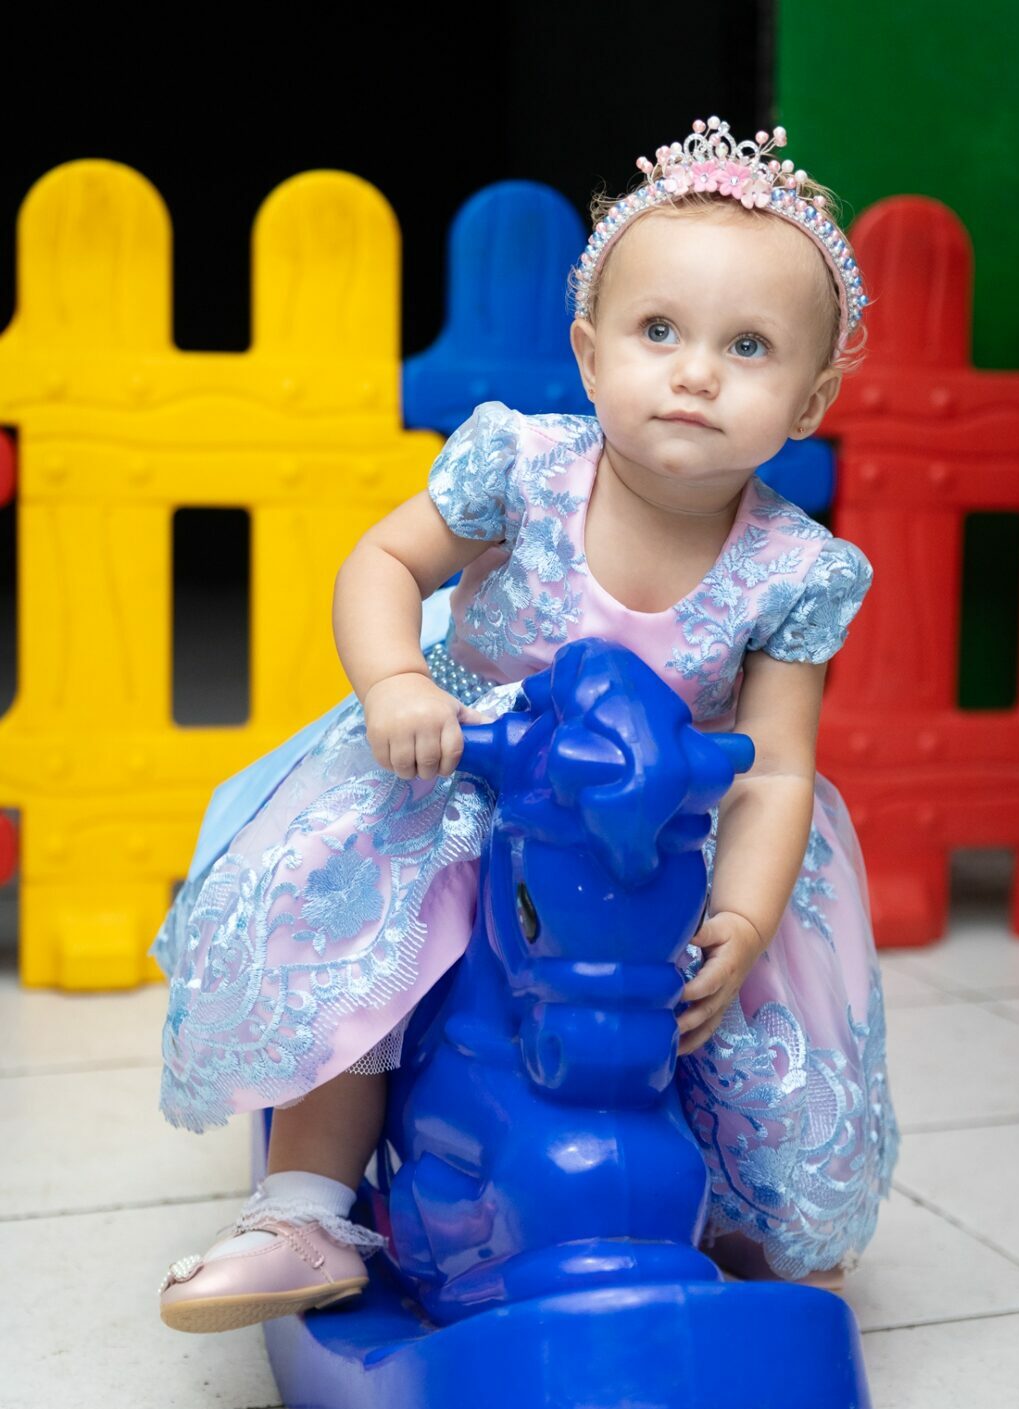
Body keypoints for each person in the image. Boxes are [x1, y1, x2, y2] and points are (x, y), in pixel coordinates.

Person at [156, 117, 900, 1333]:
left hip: (662, 829)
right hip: (465, 767)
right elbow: (383, 560)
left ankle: (735, 1213)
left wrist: (745, 916)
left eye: (747, 346)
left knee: (736, 1006)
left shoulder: (793, 569)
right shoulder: (527, 468)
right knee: (380, 932)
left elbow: (772, 771)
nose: (695, 373)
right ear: (589, 354)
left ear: (809, 398)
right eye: (657, 331)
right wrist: (395, 682)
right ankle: (305, 1203)